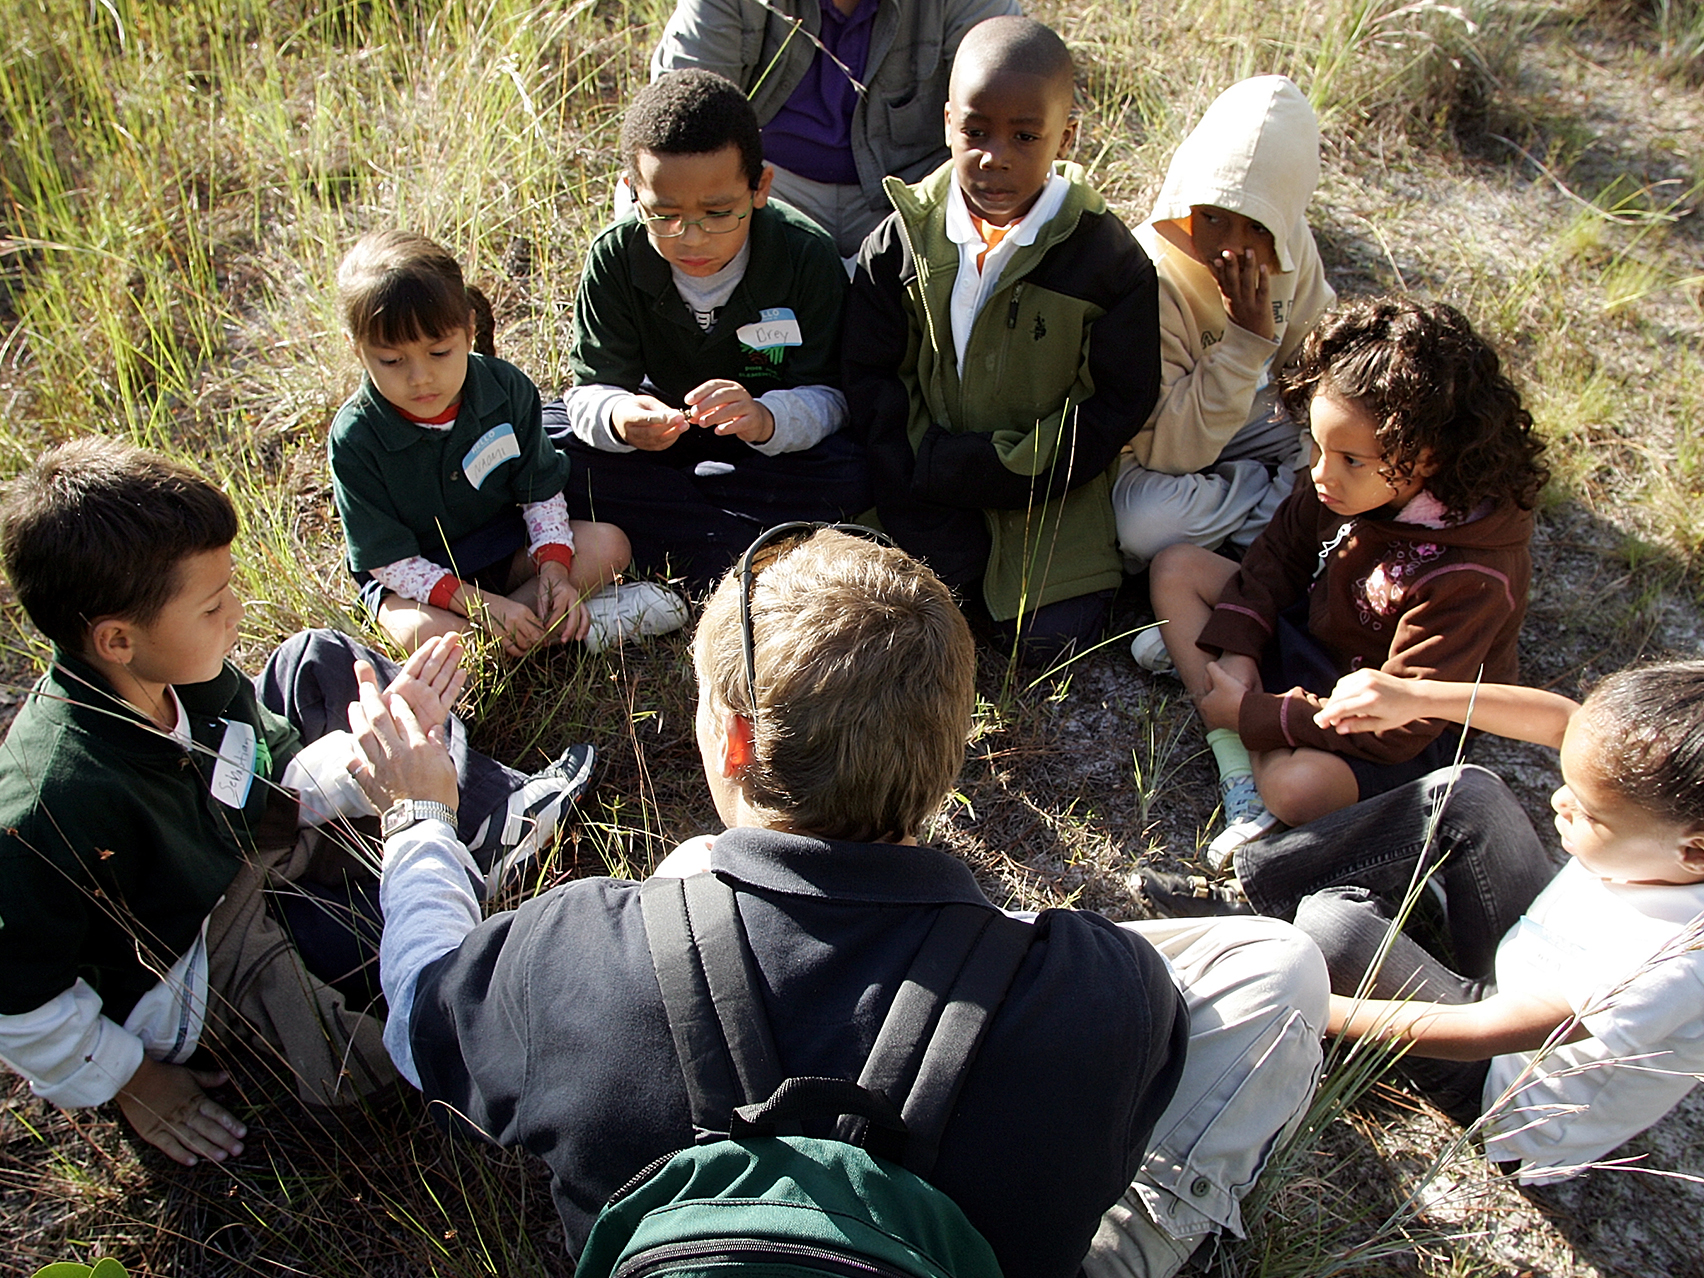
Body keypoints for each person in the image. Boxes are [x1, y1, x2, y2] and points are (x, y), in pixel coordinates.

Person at [360, 525, 1327, 1278]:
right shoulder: (1100, 993)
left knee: (697, 863)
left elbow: (415, 1019)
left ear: (735, 743)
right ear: (951, 759)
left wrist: (418, 816)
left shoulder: (573, 954)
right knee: (1286, 962)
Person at [0, 438, 594, 1166]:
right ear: (118, 640)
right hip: (198, 948)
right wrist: (134, 1079)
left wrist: (371, 742)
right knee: (367, 951)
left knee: (317, 657)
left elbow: (268, 786)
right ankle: (446, 851)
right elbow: (20, 999)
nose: (238, 611)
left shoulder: (185, 676)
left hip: (249, 838)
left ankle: (486, 820)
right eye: (214, 604)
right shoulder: (47, 803)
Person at [1155, 664, 1704, 1184]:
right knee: (1466, 793)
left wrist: (1301, 1002)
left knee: (1334, 925)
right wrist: (1415, 698)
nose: (1559, 799)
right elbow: (1564, 721)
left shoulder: (1673, 964)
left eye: (1588, 812)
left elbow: (1484, 1030)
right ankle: (1253, 895)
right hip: (1530, 950)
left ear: (1694, 853)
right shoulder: (1663, 837)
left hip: (1502, 1082)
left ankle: (1279, 974)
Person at [1144, 297, 1546, 865]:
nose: (1320, 473)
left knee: (1297, 790)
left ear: (1427, 458)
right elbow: (1275, 559)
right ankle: (1238, 749)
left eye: (1350, 459)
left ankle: (1240, 747)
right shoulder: (1343, 475)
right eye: (1315, 445)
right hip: (1316, 639)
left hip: (1388, 720)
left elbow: (1401, 728)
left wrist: (1251, 711)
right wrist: (1236, 650)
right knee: (1177, 568)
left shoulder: (1473, 575)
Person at [844, 16, 1161, 665]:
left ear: (1065, 136)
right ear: (946, 123)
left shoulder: (1109, 262)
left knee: (1052, 641)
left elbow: (1116, 402)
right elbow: (873, 379)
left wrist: (1004, 466)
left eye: (1025, 135)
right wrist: (923, 471)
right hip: (924, 485)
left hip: (1047, 499)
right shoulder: (900, 241)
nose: (996, 156)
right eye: (976, 130)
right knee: (896, 616)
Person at [552, 71, 871, 592]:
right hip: (661, 434)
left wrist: (766, 418)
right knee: (551, 450)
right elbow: (588, 392)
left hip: (769, 451)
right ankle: (743, 556)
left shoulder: (805, 254)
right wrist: (619, 416)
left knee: (851, 474)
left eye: (719, 212)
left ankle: (675, 558)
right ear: (633, 194)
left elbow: (834, 399)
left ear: (760, 187)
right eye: (665, 214)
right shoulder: (615, 255)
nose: (691, 237)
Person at [328, 229, 687, 656]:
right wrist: (482, 607)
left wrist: (554, 570)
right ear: (357, 349)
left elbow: (540, 491)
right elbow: (389, 562)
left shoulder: (507, 388)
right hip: (417, 584)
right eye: (391, 361)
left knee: (609, 545)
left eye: (439, 352)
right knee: (430, 641)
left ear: (468, 328)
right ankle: (573, 632)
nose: (419, 377)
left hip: (504, 549)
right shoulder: (355, 437)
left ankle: (512, 640)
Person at [1113, 76, 1336, 582]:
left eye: (1258, 227)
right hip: (1165, 445)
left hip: (1258, 420)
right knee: (1141, 526)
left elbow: (1315, 369)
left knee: (1341, 448)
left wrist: (1311, 458)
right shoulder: (1151, 276)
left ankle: (1251, 549)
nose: (1233, 247)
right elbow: (1167, 453)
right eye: (1213, 217)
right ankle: (1274, 526)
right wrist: (1243, 342)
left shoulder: (1291, 246)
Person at [648, 0, 1022, 259]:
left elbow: (1011, 100)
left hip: (913, 190)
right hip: (770, 185)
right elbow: (681, 114)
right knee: (660, 205)